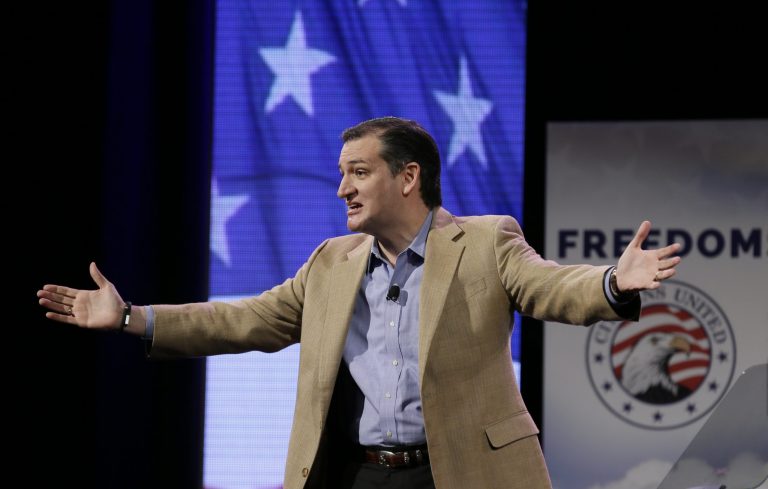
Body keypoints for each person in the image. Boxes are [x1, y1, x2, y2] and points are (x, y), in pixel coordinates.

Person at [38, 117, 681, 489]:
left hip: (456, 473)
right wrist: (129, 317)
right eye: (340, 172)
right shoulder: (330, 262)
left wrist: (611, 284)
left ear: (409, 178)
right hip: (359, 477)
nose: (341, 186)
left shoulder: (486, 242)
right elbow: (242, 319)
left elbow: (550, 287)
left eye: (358, 171)